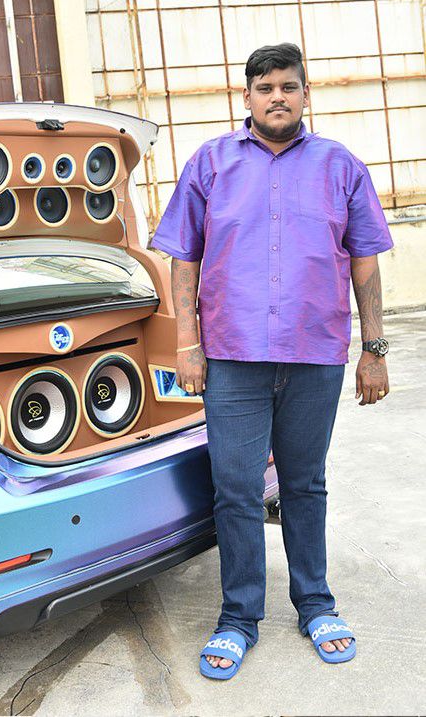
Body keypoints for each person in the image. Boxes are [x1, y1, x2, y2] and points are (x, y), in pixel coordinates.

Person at [149, 42, 393, 680]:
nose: (277, 97)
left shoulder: (341, 167)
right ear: (248, 97)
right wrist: (187, 345)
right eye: (265, 88)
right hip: (232, 357)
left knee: (304, 483)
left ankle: (315, 603)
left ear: (306, 93)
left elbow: (365, 262)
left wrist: (374, 350)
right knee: (235, 488)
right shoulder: (210, 163)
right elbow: (183, 258)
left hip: (316, 353)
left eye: (288, 86)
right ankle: (238, 617)